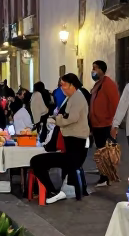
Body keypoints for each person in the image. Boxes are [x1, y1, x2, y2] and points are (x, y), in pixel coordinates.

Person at [30, 73, 90, 204]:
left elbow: (71, 118)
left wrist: (56, 120)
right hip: (70, 145)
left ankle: (53, 191)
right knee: (37, 161)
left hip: (75, 147)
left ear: (72, 85)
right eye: (61, 85)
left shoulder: (77, 98)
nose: (62, 88)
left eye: (64, 85)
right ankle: (53, 191)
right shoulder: (72, 98)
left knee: (37, 161)